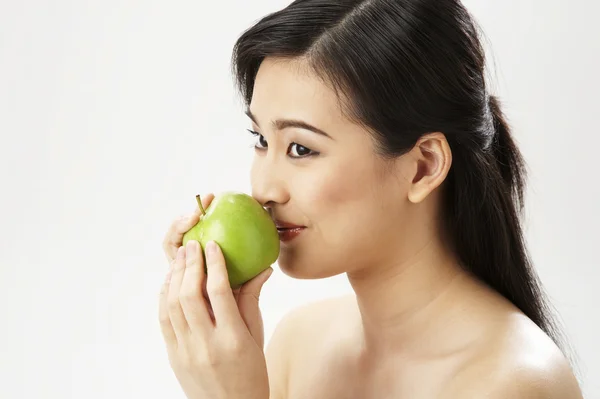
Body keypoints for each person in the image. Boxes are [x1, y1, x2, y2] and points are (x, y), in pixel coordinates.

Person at [158, 0, 584, 398]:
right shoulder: (296, 344)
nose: (265, 190)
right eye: (261, 139)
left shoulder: (513, 383)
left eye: (301, 148)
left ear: (423, 167)